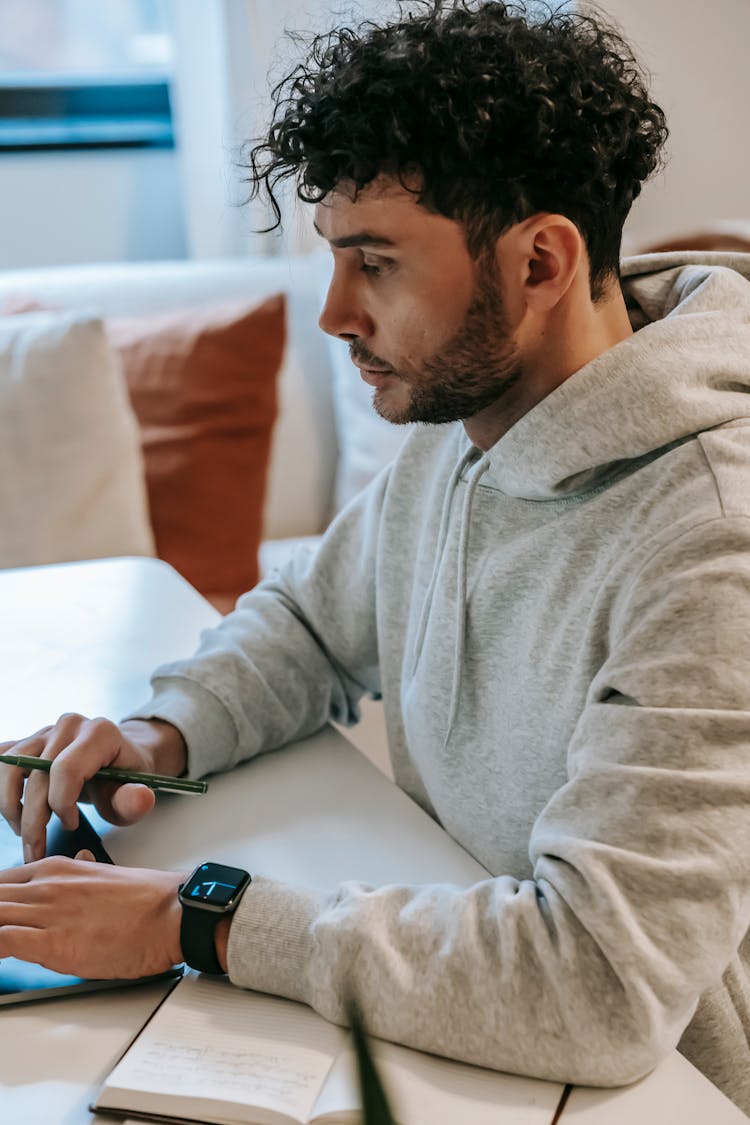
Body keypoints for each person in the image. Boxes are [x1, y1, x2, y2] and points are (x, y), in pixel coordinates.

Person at [2, 0, 750, 1113]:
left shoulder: (710, 538)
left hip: (649, 1090)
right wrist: (167, 729)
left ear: (541, 261)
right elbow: (312, 618)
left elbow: (598, 982)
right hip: (455, 1007)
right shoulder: (472, 418)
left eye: (377, 264)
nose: (337, 314)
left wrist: (196, 916)